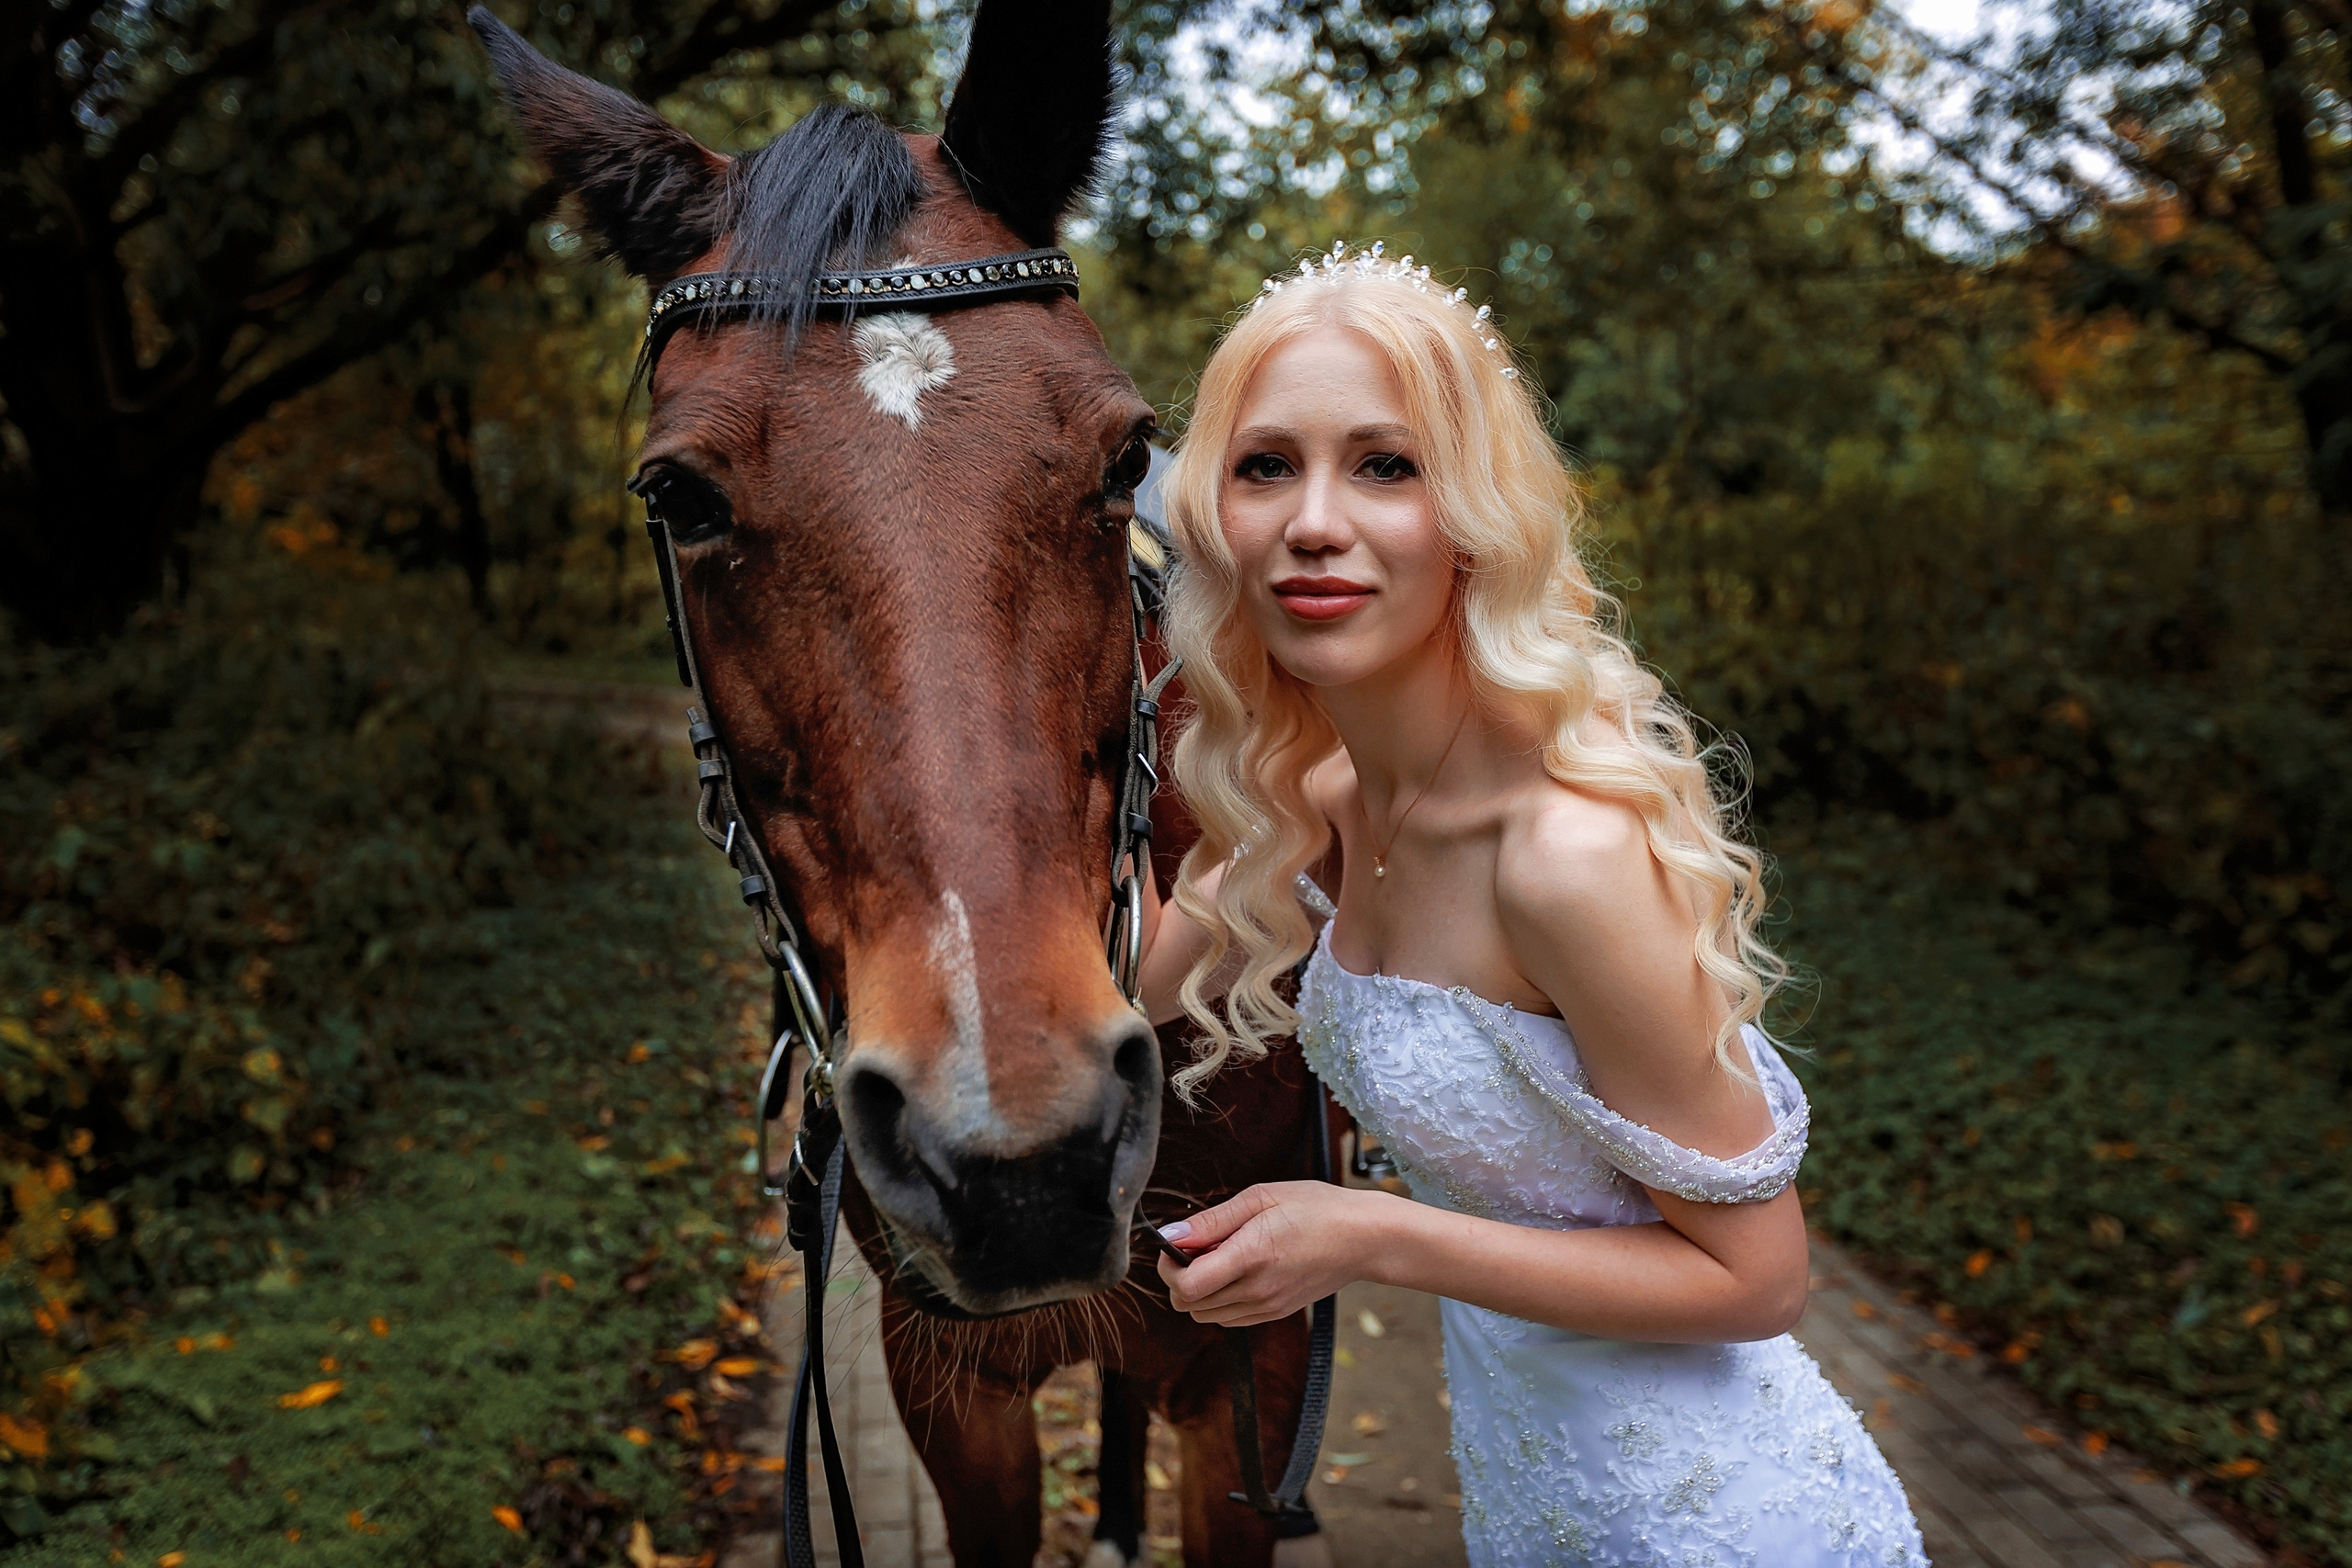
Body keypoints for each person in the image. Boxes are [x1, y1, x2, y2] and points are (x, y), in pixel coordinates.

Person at [1134, 243, 1927, 1567]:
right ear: (1212, 514)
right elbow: (1115, 997)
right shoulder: (1318, 793)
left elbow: (1759, 1280)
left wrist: (1373, 1233)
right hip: (1534, 1504)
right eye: (1266, 466)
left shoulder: (1562, 857)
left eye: (1385, 465)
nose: (1313, 520)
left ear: (1472, 514)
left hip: (1723, 1521)